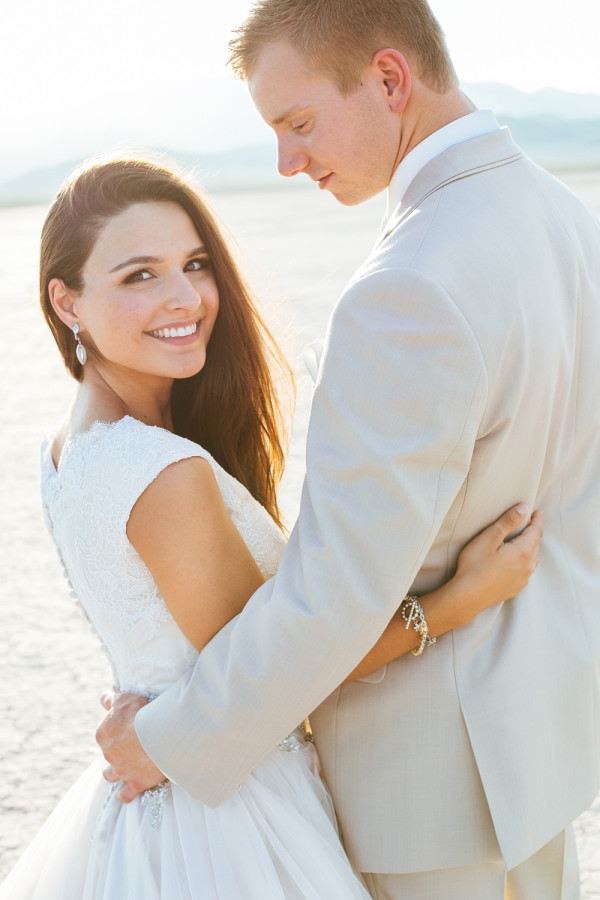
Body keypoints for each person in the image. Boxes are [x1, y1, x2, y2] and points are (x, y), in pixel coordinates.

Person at [95, 2, 600, 898]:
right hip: (543, 750)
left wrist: (168, 739)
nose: (288, 161)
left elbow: (333, 594)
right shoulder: (566, 216)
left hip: (428, 788)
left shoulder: (408, 285)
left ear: (390, 79)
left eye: (298, 123)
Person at [0, 155, 540, 899]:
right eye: (139, 276)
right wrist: (456, 602)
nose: (185, 296)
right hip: (229, 824)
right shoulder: (158, 472)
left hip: (158, 800)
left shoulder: (70, 446)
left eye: (194, 264)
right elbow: (278, 668)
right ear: (66, 303)